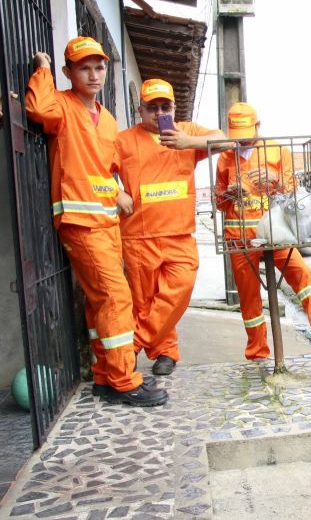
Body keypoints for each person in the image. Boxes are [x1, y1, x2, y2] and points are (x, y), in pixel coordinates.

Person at [25, 37, 167, 406]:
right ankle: (125, 380)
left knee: (99, 303)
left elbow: (104, 170)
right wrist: (41, 69)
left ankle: (105, 375)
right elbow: (37, 110)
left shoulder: (106, 119)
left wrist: (119, 192)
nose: (93, 74)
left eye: (99, 67)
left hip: (106, 222)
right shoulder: (62, 105)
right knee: (115, 297)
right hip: (80, 221)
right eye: (84, 67)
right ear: (68, 72)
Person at [215, 102, 311, 372]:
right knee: (249, 299)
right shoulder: (224, 158)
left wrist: (275, 179)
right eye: (238, 133)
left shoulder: (277, 151)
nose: (243, 138)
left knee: (305, 281)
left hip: (275, 232)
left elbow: (294, 191)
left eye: (248, 131)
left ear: (258, 126)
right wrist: (229, 195)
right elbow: (220, 202)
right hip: (240, 237)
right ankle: (257, 356)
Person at [115, 79, 224, 376]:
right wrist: (116, 192)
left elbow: (225, 139)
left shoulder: (186, 132)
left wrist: (190, 143)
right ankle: (165, 352)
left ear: (174, 108)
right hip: (138, 235)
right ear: (140, 110)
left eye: (165, 106)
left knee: (179, 289)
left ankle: (135, 343)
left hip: (179, 233)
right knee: (146, 302)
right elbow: (96, 168)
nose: (159, 112)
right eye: (152, 108)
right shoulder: (124, 140)